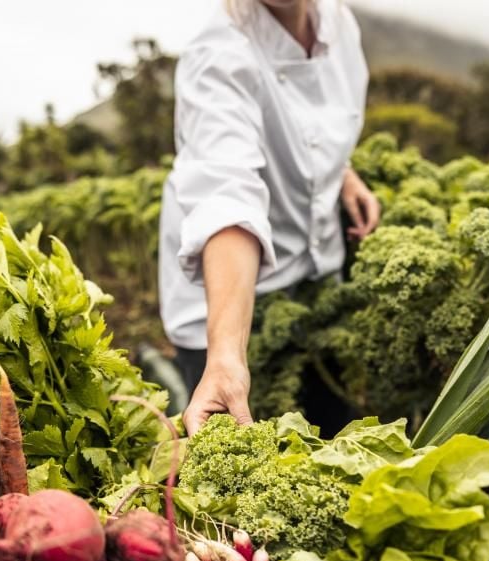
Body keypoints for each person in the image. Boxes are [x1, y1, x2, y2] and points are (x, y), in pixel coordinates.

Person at [159, 0, 380, 436]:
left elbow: (315, 123)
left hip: (312, 272)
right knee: (245, 463)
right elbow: (227, 195)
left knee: (331, 424)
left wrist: (342, 173)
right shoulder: (218, 54)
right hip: (224, 294)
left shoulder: (338, 23)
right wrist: (225, 356)